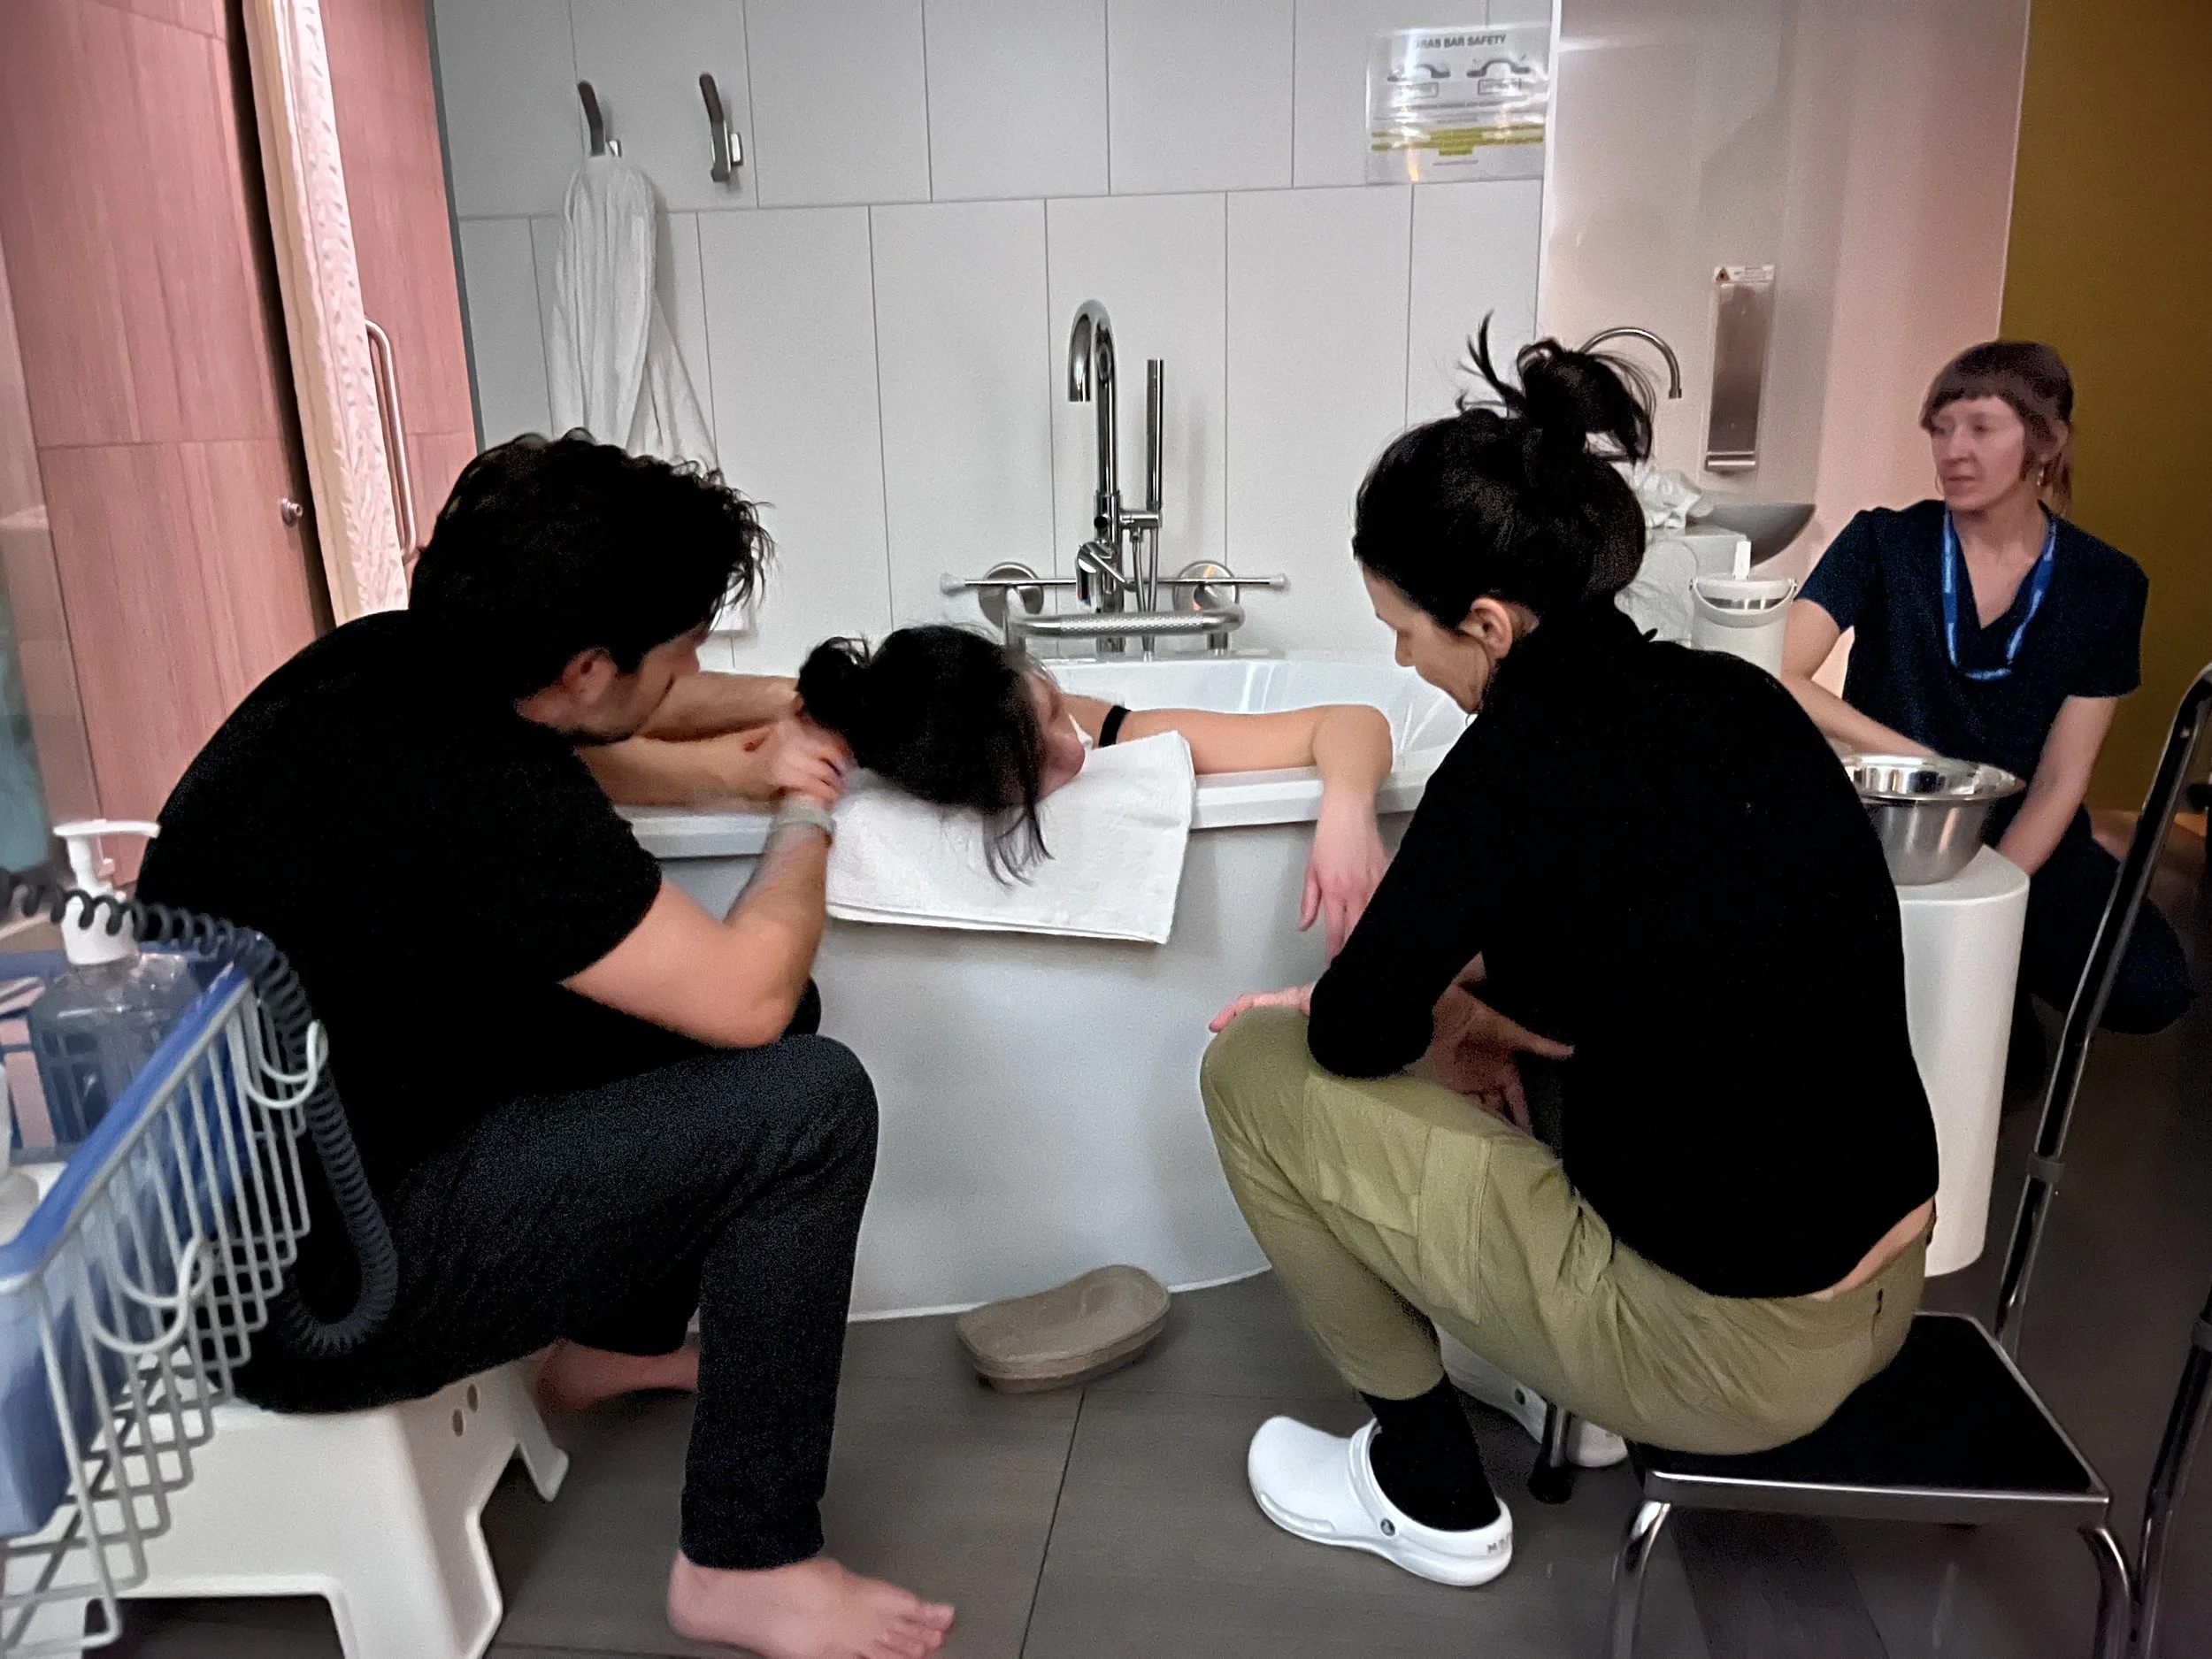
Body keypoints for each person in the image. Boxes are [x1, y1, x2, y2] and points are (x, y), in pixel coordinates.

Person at [137, 434, 956, 1659]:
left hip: (262, 1208)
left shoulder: (388, 666)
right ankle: (747, 1557)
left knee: (756, 1033)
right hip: (329, 1298)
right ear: (584, 665)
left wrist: (759, 749)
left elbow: (612, 740)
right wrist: (799, 809)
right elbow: (742, 992)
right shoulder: (496, 797)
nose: (695, 670)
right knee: (807, 1092)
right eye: (683, 650)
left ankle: (602, 1352)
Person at [1198, 330, 1938, 1588]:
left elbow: (1349, 1033)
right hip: (1887, 1283)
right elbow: (1671, 960)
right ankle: (1569, 1394)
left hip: (1728, 1354)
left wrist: (1417, 1006)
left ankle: (1421, 1481)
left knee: (1254, 1066)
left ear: (1487, 621)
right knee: (1494, 1024)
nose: (1398, 661)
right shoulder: (1734, 698)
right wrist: (1473, 1015)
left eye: (1404, 628)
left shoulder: (1514, 762)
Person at [1780, 341, 2192, 1062]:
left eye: (1980, 427)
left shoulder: (2105, 583)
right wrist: (1924, 762)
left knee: (2148, 984)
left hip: (2028, 830)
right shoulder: (1885, 539)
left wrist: (1993, 893)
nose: (1953, 451)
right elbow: (1781, 670)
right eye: (1940, 429)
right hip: (1891, 819)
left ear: (2044, 437)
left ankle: (2006, 987)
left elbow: (2066, 774)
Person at [787, 626, 1395, 951]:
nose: (1073, 751)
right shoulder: (911, 761)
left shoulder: (1107, 729)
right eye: (1031, 773)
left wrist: (1346, 808)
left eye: (1052, 710)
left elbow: (1351, 723)